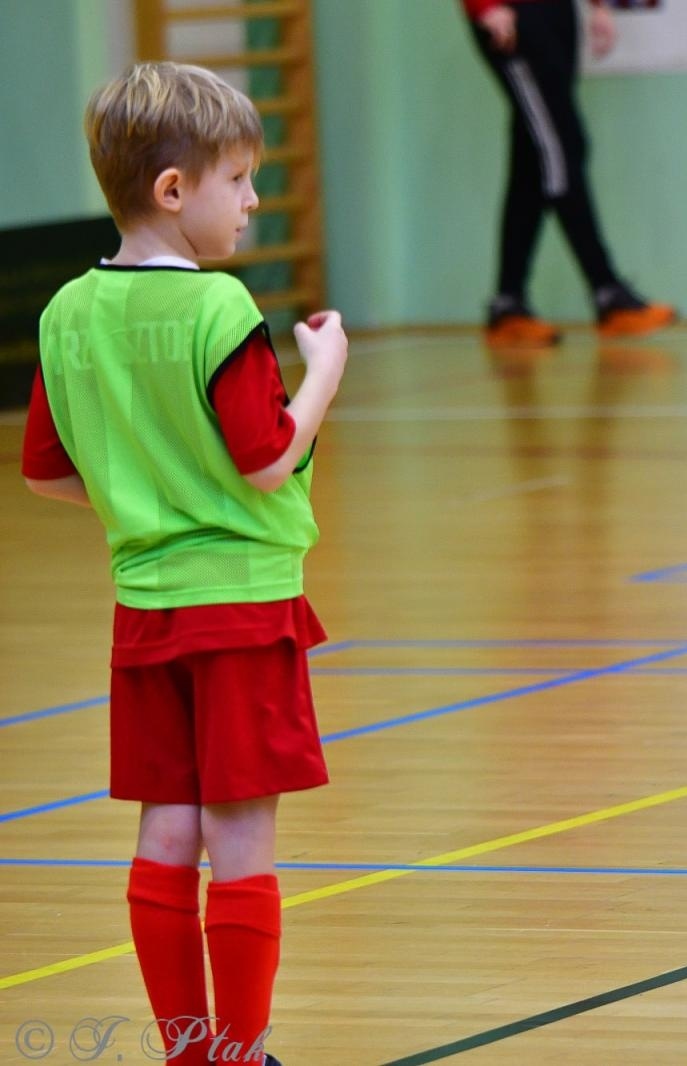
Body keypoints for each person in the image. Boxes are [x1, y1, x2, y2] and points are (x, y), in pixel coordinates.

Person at [21, 62, 347, 1065]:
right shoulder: (218, 312)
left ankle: (189, 1051)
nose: (252, 202)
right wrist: (324, 373)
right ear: (174, 190)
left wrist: (144, 501)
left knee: (168, 824)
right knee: (241, 836)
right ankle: (242, 1054)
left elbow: (46, 473)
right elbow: (266, 456)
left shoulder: (66, 312)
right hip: (243, 608)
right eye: (239, 180)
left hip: (145, 612)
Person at [464, 0, 676, 348]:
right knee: (561, 149)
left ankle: (508, 305)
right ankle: (607, 291)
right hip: (512, 15)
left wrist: (597, 6)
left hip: (555, 13)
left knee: (534, 159)